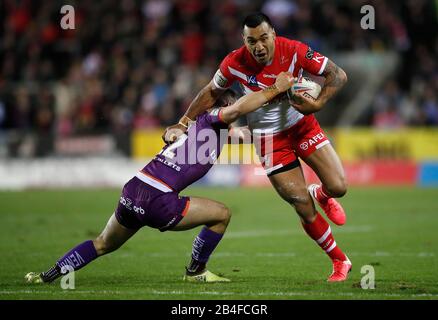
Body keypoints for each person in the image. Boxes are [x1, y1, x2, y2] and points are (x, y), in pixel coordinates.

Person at [25, 72, 294, 284]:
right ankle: (195, 271)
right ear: (226, 103)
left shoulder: (209, 128)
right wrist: (274, 89)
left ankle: (47, 275)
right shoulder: (214, 117)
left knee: (103, 244)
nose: (238, 110)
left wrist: (283, 127)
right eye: (235, 104)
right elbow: (235, 114)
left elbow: (245, 135)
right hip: (158, 198)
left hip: (134, 190)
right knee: (222, 214)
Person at [163, 13, 351, 282]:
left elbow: (338, 75)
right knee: (300, 204)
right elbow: (211, 92)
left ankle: (321, 193)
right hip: (268, 139)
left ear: (273, 34)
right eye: (252, 41)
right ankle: (339, 260)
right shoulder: (234, 62)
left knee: (339, 188)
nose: (259, 46)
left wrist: (318, 103)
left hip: (302, 126)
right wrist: (183, 122)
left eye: (264, 38)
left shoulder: (295, 50)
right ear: (244, 40)